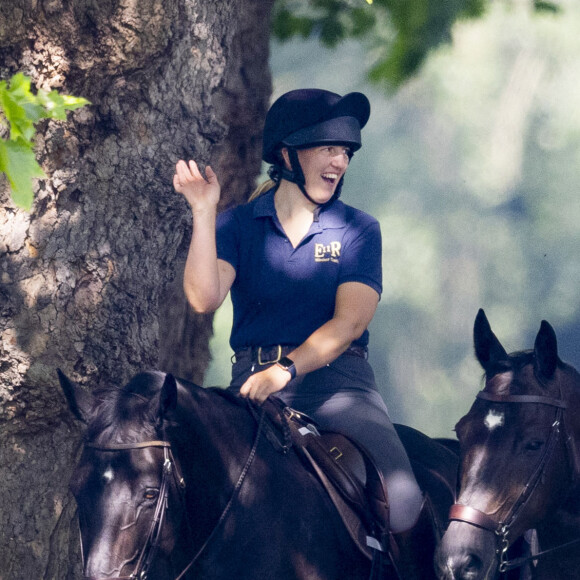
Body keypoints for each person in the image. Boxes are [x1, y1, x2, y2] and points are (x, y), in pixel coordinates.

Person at [174, 88, 424, 566]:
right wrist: (204, 213)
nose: (341, 162)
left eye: (346, 152)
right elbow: (203, 298)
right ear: (288, 154)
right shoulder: (239, 225)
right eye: (329, 148)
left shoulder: (358, 230)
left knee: (406, 500)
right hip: (249, 389)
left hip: (337, 386)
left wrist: (285, 371)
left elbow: (349, 323)